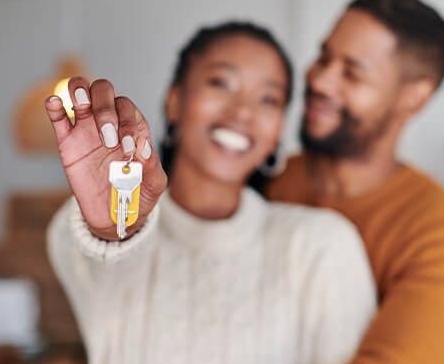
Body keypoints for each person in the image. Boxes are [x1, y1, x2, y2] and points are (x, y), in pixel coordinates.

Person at [44, 21, 375, 364]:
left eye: (268, 99)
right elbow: (103, 260)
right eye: (221, 83)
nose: (243, 111)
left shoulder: (321, 246)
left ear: (277, 133)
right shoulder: (75, 234)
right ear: (174, 102)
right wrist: (113, 228)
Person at [266, 0, 444, 364]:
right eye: (324, 57)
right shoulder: (263, 182)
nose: (321, 80)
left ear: (414, 98)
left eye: (352, 72)